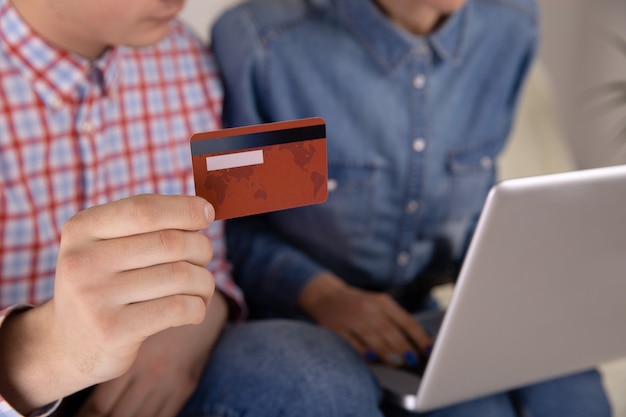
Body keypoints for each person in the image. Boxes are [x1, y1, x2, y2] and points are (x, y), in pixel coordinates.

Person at [211, 0, 613, 416]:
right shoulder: (262, 43)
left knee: (575, 397)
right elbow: (234, 229)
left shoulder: (511, 27)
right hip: (302, 319)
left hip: (432, 320)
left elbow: (481, 200)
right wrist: (324, 294)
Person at [0, 0, 381, 416]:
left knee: (315, 374)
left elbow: (213, 250)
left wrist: (200, 316)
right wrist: (45, 355)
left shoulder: (186, 59)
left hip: (169, 364)